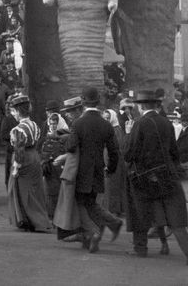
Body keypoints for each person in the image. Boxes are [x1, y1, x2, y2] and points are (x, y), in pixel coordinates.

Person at [124, 89, 188, 264]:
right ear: (156, 105)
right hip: (167, 175)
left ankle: (140, 249)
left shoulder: (139, 124)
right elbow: (174, 152)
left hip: (144, 177)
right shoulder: (167, 123)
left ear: (140, 107)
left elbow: (129, 154)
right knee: (173, 216)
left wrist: (127, 134)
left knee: (139, 211)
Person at [65, 86, 121, 253]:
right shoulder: (106, 125)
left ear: (83, 102)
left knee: (83, 203)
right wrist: (110, 169)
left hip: (81, 171)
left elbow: (70, 146)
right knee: (90, 202)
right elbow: (114, 151)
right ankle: (101, 228)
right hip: (98, 169)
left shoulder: (78, 123)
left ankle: (97, 230)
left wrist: (65, 139)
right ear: (97, 102)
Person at [7, 95, 52, 232]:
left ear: (19, 111)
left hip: (24, 159)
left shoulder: (18, 129)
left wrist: (16, 167)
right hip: (34, 157)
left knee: (21, 189)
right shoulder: (34, 125)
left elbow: (19, 150)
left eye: (14, 111)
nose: (13, 114)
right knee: (35, 189)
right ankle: (36, 220)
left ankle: (28, 220)